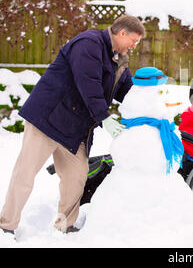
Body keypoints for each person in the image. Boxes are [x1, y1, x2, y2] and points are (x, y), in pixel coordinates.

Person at [0, 15, 145, 236]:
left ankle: (65, 225)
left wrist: (148, 108)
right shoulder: (89, 43)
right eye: (134, 40)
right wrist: (103, 117)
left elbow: (128, 90)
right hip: (48, 119)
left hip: (75, 129)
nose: (135, 46)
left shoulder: (119, 60)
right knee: (25, 174)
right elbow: (88, 84)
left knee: (76, 177)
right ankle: (6, 225)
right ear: (121, 33)